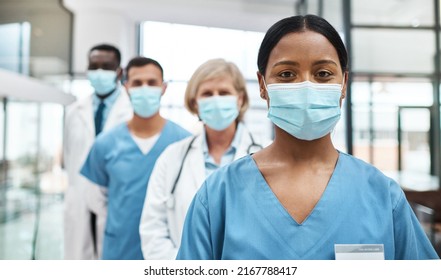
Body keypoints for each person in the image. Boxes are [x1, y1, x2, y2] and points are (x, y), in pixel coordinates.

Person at [176, 15, 439, 260]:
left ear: (343, 84)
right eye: (286, 74)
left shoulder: (382, 196)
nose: (306, 86)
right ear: (262, 86)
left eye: (323, 74)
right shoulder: (219, 196)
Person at [139, 58, 265, 260]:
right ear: (194, 103)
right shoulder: (172, 158)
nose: (216, 99)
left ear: (240, 99)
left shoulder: (266, 153)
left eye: (224, 93)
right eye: (207, 94)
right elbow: (153, 230)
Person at [80, 56, 191, 260]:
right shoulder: (105, 144)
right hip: (120, 249)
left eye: (152, 83)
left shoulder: (185, 142)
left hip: (168, 252)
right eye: (137, 83)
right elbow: (96, 200)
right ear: (125, 87)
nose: (145, 88)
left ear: (164, 87)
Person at [63, 43, 133, 260]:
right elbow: (69, 155)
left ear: (119, 72)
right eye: (94, 66)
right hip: (79, 199)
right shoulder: (74, 112)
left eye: (106, 66)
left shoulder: (131, 111)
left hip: (115, 201)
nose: (99, 72)